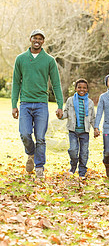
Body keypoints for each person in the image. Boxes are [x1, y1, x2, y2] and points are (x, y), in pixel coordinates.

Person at [11, 29, 63, 179]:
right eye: (35, 37)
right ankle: (31, 153)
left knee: (40, 137)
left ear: (43, 42)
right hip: (25, 103)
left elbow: (56, 84)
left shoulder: (49, 60)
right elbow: (16, 83)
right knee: (25, 134)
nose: (37, 40)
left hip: (41, 104)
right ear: (30, 39)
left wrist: (60, 105)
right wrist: (14, 104)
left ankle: (39, 167)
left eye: (40, 38)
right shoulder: (20, 59)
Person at [62, 78, 95, 179]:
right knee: (73, 150)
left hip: (84, 131)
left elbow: (93, 117)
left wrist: (96, 128)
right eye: (79, 87)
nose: (82, 89)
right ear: (75, 88)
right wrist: (60, 115)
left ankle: (82, 171)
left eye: (84, 88)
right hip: (73, 130)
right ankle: (73, 165)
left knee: (84, 152)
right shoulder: (70, 100)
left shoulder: (90, 102)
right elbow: (65, 113)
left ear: (87, 89)